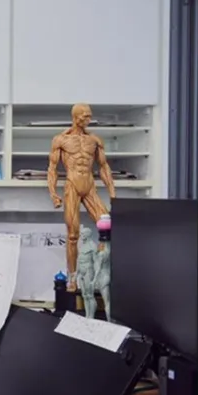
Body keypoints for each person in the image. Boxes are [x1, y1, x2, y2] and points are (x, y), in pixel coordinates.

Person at [47, 103, 117, 291]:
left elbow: (104, 167)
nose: (88, 119)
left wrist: (112, 193)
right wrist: (53, 194)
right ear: (75, 116)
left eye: (89, 116)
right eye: (85, 116)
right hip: (72, 186)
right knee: (72, 235)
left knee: (108, 226)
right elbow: (52, 169)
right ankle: (72, 277)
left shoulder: (94, 140)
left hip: (89, 186)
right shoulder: (61, 140)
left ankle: (99, 271)